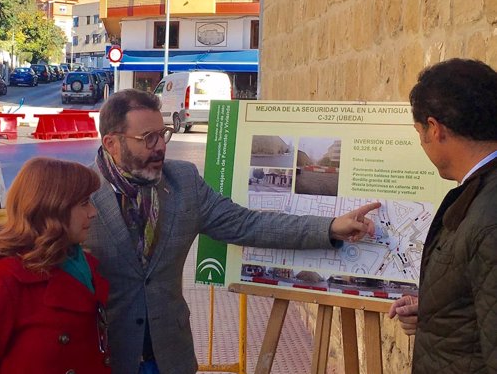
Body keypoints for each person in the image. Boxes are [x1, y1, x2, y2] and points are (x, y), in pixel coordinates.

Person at [85, 89, 380, 374]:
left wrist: (329, 228)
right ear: (112, 143)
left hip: (170, 357)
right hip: (107, 358)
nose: (161, 147)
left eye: (162, 134)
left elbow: (248, 224)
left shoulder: (183, 182)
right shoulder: (78, 195)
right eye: (148, 139)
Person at [0, 157, 110, 374]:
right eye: (83, 203)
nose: (93, 212)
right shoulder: (5, 282)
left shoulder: (85, 266)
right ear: (52, 208)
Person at [388, 58, 497, 373]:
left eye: (419, 131)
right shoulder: (479, 193)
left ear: (434, 129)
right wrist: (439, 311)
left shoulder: (488, 217)